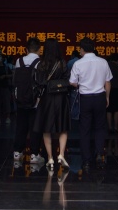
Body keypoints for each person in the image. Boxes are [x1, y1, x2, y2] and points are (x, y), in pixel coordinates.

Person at [69, 37, 112, 174]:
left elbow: (72, 82)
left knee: (85, 129)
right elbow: (107, 82)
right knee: (100, 127)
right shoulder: (103, 62)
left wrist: (81, 84)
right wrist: (107, 97)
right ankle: (99, 154)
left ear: (81, 49)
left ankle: (86, 160)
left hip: (85, 98)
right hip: (99, 97)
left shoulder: (78, 63)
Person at [33, 38, 72, 177]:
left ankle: (50, 158)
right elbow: (68, 80)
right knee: (63, 127)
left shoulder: (41, 64)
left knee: (46, 128)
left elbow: (38, 82)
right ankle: (61, 154)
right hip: (61, 98)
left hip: (47, 99)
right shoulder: (62, 63)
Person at [11, 37, 42, 165]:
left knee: (21, 126)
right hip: (35, 101)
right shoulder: (40, 63)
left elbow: (15, 81)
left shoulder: (19, 61)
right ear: (39, 49)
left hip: (20, 99)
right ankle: (34, 154)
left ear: (26, 49)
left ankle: (17, 152)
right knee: (35, 128)